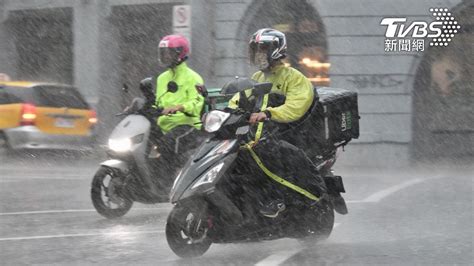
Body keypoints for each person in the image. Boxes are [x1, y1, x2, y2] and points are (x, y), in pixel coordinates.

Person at [228, 28, 347, 217]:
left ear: (276, 50)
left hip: (292, 134)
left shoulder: (294, 78)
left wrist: (268, 113)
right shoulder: (257, 78)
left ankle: (277, 198)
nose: (259, 54)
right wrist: (225, 112)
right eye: (256, 50)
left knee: (266, 150)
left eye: (263, 49)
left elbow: (295, 108)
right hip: (262, 134)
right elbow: (238, 99)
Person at [152, 34, 206, 178]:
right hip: (164, 124)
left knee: (167, 143)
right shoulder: (162, 78)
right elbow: (158, 102)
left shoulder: (193, 77)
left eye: (169, 53)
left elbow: (197, 102)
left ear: (180, 53)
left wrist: (180, 107)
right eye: (163, 53)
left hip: (187, 124)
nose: (165, 56)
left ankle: (170, 179)